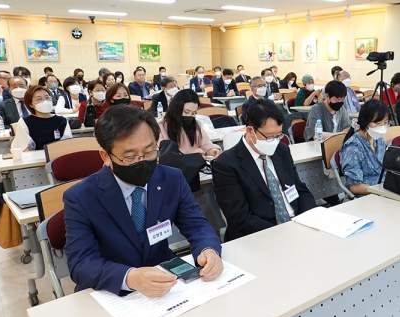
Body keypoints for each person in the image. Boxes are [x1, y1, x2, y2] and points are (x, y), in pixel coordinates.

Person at [63, 104, 223, 296]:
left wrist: (208, 250)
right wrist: (130, 277)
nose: (141, 161)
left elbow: (196, 224)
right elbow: (81, 264)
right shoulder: (80, 197)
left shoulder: (172, 179)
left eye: (149, 152)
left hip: (165, 280)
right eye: (129, 156)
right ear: (106, 156)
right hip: (112, 291)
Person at [212, 99, 315, 241]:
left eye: (279, 135)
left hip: (296, 225)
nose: (275, 141)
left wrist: (309, 218)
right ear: (250, 130)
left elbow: (300, 189)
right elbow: (240, 217)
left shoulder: (281, 150)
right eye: (269, 136)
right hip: (259, 236)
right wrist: (283, 232)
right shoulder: (226, 164)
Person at [340, 100, 389, 196]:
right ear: (365, 122)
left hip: (385, 190)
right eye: (378, 123)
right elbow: (355, 187)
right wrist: (383, 191)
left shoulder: (379, 140)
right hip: (367, 196)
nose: (382, 127)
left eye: (386, 123)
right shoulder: (353, 148)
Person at [158, 89, 222, 157]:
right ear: (176, 109)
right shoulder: (161, 129)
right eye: (186, 112)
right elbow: (163, 158)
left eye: (193, 113)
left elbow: (206, 144)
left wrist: (211, 150)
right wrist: (190, 157)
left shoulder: (196, 125)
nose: (189, 116)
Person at [11, 85, 72, 151]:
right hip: (34, 158)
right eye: (39, 99)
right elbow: (25, 148)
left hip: (57, 157)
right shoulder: (25, 122)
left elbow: (67, 145)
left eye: (47, 98)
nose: (45, 101)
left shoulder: (62, 120)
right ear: (31, 104)